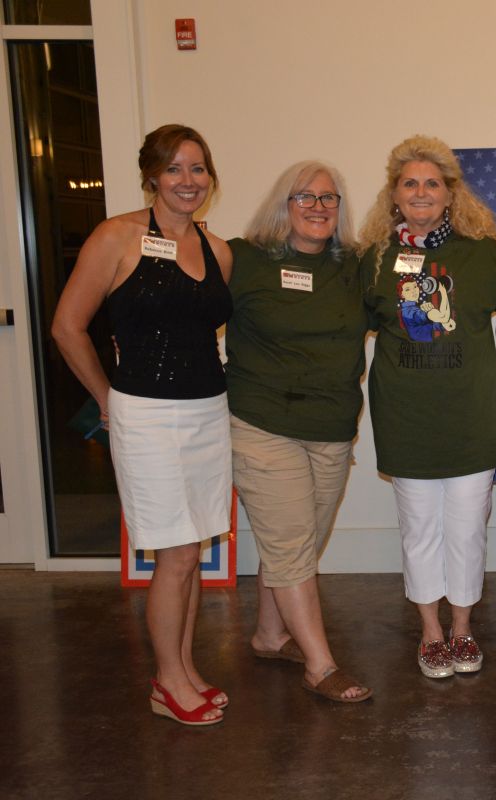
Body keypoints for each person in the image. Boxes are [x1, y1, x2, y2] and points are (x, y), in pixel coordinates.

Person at [51, 124, 233, 725]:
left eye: (198, 168)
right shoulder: (117, 236)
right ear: (152, 175)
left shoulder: (218, 250)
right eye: (174, 168)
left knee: (193, 548)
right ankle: (167, 682)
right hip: (148, 416)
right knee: (175, 554)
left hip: (208, 412)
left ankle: (184, 667)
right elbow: (67, 326)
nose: (188, 180)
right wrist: (106, 397)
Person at [359, 135, 496, 679]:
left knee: (468, 529)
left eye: (432, 183)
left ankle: (463, 628)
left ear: (451, 193)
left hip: (471, 416)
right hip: (406, 419)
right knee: (419, 528)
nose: (421, 192)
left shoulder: (486, 255)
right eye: (410, 183)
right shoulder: (374, 259)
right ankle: (431, 632)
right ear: (394, 194)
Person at [225, 161, 371, 702]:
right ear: (283, 204)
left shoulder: (354, 265)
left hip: (332, 426)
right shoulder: (243, 259)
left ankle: (270, 635)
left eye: (328, 198)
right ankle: (320, 665)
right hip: (262, 423)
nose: (317, 207)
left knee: (297, 540)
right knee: (289, 544)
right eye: (304, 197)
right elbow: (185, 307)